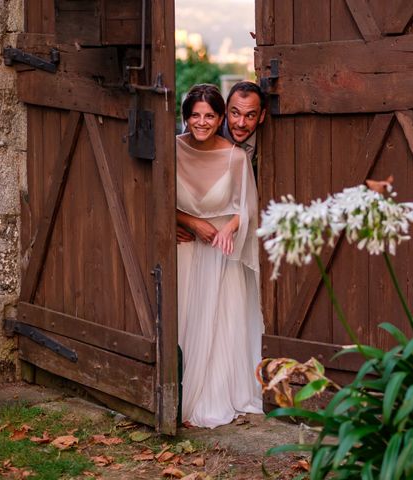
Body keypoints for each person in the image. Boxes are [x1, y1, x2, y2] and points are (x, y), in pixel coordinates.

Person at [176, 84, 264, 428]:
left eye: (209, 115)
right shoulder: (171, 150)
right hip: (184, 248)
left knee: (219, 323)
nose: (202, 121)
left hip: (221, 254)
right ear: (186, 118)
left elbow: (249, 206)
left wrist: (228, 228)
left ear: (219, 118)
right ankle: (178, 392)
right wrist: (189, 222)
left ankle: (214, 392)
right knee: (183, 319)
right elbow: (155, 196)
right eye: (195, 115)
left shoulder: (236, 156)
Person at [177, 81, 266, 244]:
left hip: (231, 240)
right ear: (225, 111)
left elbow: (250, 203)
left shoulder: (267, 142)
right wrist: (172, 221)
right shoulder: (194, 135)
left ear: (261, 116)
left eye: (250, 115)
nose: (241, 123)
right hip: (188, 241)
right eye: (235, 113)